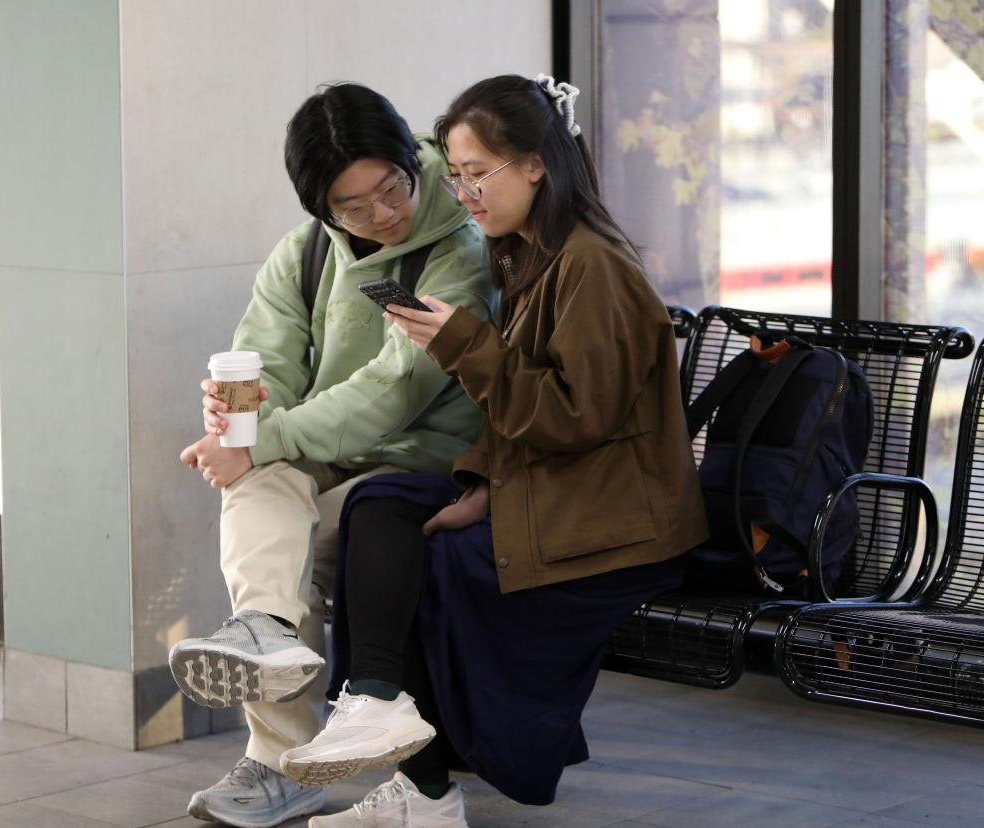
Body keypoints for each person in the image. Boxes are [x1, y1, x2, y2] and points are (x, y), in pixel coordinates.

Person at [278, 74, 709, 826]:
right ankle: (380, 710)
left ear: (536, 164)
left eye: (479, 174)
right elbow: (524, 422)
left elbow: (573, 420)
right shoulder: (530, 253)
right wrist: (479, 480)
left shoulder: (592, 267)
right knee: (380, 505)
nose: (466, 193)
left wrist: (461, 342)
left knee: (426, 562)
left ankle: (424, 788)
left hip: (613, 525)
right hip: (557, 492)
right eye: (456, 175)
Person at [171, 83, 497, 828]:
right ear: (322, 208)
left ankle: (277, 740)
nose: (385, 215)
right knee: (257, 492)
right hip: (332, 457)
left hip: (419, 466)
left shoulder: (460, 252)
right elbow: (268, 360)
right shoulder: (307, 251)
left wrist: (259, 442)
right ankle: (267, 637)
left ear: (411, 163)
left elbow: (394, 393)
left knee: (275, 510)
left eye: (392, 188)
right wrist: (237, 420)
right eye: (355, 207)